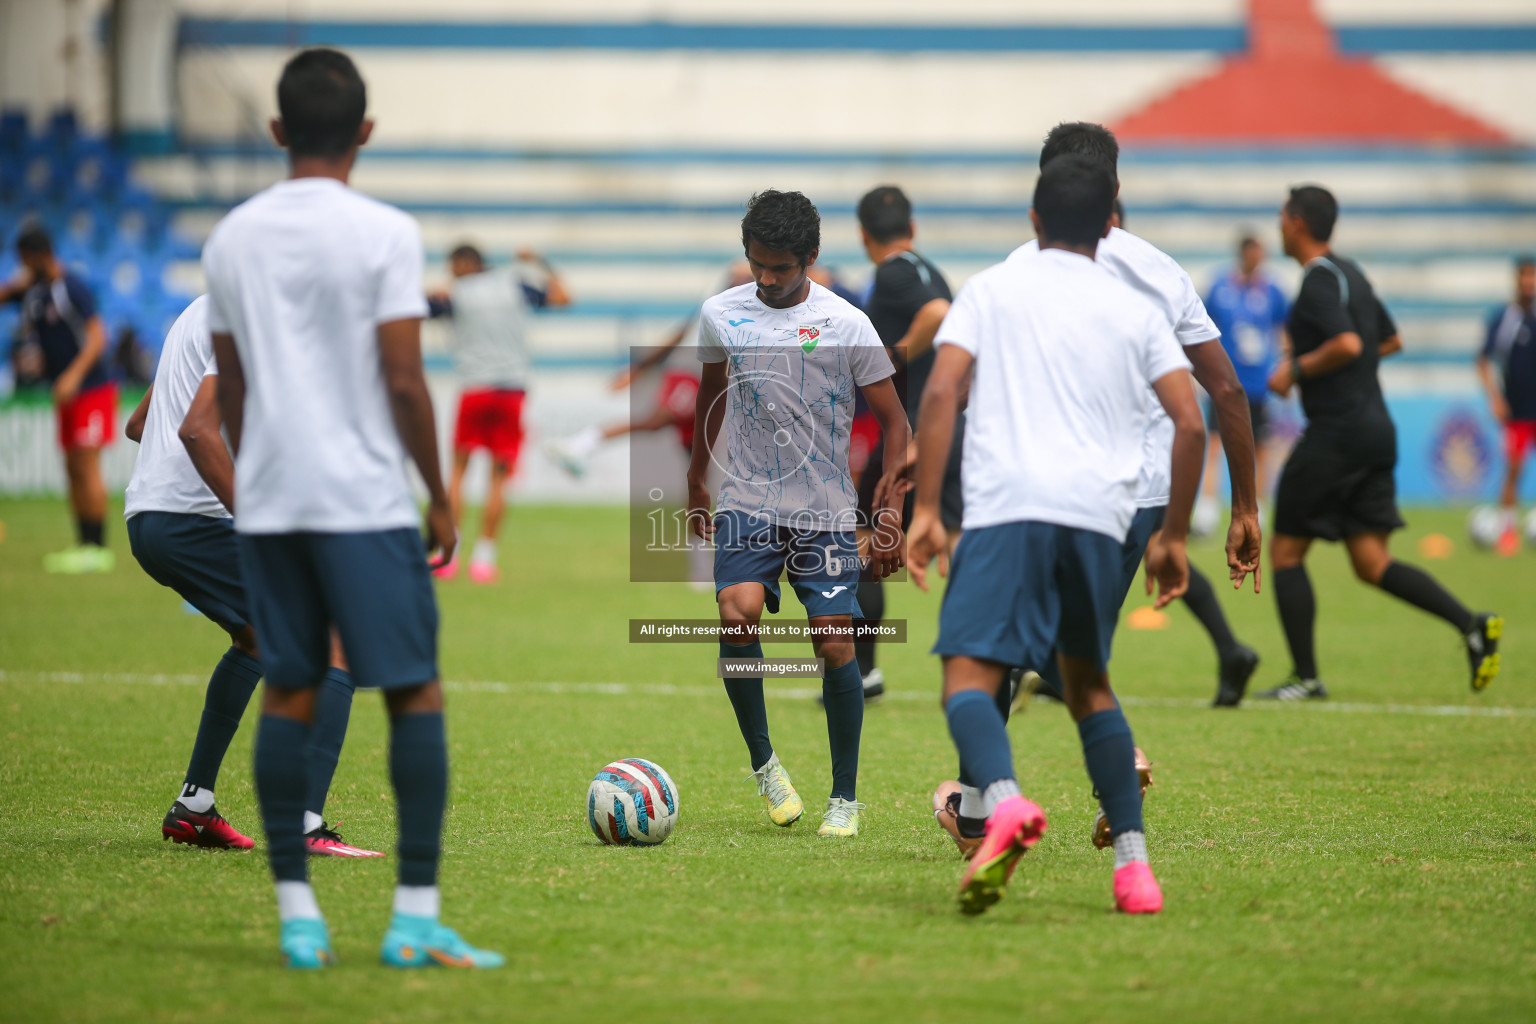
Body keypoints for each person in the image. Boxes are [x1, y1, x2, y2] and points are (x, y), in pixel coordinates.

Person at [203, 47, 500, 969]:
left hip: (275, 501)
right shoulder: (384, 233)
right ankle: (414, 914)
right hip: (363, 498)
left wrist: (262, 484)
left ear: (278, 131)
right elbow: (406, 382)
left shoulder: (231, 239)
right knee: (413, 689)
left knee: (288, 686)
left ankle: (297, 915)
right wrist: (440, 498)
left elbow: (237, 384)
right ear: (365, 133)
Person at [908, 153, 1205, 916]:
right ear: (1111, 224)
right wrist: (1172, 533)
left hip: (1010, 508)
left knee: (967, 678)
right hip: (1100, 519)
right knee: (1088, 686)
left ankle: (1001, 802)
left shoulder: (993, 289)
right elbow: (1190, 418)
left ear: (1034, 219)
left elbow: (943, 389)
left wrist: (930, 512)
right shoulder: (1135, 308)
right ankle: (1135, 871)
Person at [124, 297, 381, 858]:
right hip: (192, 522)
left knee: (256, 640)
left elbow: (140, 424)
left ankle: (193, 808)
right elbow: (197, 430)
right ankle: (305, 825)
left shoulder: (199, 310)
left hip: (150, 518)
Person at [687, 189, 909, 839]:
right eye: (757, 264)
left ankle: (845, 797)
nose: (766, 278)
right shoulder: (720, 315)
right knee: (737, 612)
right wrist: (697, 483)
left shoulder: (847, 323)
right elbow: (710, 401)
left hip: (825, 509)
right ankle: (765, 766)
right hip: (749, 499)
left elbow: (898, 425)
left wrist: (888, 509)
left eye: (781, 267)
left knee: (835, 640)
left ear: (810, 257)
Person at [1261, 185, 1501, 699]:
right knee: (1371, 562)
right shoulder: (1353, 273)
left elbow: (1349, 343)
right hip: (1375, 432)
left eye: (1283, 217)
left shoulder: (1318, 281)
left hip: (1337, 434)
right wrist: (1347, 371)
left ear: (1298, 223)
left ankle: (1306, 679)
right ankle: (1472, 624)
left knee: (1284, 551)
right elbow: (1388, 340)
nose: (1278, 225)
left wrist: (1296, 370)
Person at [848, 185, 957, 705]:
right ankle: (1011, 664)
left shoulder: (891, 274)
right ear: (910, 229)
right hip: (947, 429)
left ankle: (863, 673)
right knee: (959, 547)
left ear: (863, 234)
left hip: (909, 437)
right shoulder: (927, 268)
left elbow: (936, 314)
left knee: (860, 541)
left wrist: (893, 360)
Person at [428, 243, 569, 583]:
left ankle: (450, 555)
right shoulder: (515, 284)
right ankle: (484, 560)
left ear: (464, 263)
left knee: (459, 473)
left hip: (475, 388)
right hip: (511, 391)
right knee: (498, 479)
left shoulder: (457, 293)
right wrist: (540, 260)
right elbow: (564, 297)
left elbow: (419, 305)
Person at [1, 224, 115, 573]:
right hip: (66, 395)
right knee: (71, 467)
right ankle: (83, 545)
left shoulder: (70, 287)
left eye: (23, 261)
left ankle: (99, 549)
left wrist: (72, 376)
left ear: (38, 256)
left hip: (91, 388)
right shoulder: (36, 292)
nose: (21, 268)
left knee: (87, 464)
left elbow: (98, 337)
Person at [1198, 235, 1289, 520]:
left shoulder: (1273, 290)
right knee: (1214, 443)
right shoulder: (1220, 287)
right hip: (1225, 380)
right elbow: (1203, 327)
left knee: (1261, 446)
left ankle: (1258, 504)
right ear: (1243, 254)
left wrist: (1285, 362)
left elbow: (1282, 329)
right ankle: (1208, 508)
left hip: (1259, 382)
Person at [1475, 256, 1536, 555]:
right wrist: (1494, 398)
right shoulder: (1504, 318)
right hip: (1517, 411)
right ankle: (1508, 533)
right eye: (1525, 276)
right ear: (1517, 280)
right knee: (1514, 469)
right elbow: (1483, 360)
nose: (1529, 282)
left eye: (1533, 276)